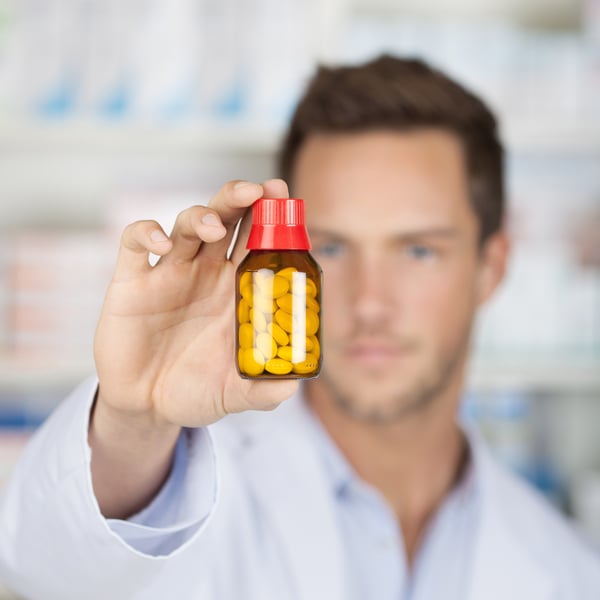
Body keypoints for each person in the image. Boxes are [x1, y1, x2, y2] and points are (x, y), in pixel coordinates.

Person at [0, 55, 599, 600]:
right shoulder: (175, 490)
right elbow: (44, 568)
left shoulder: (567, 569)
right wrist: (135, 424)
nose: (368, 303)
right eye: (331, 248)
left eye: (418, 252)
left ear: (490, 268)